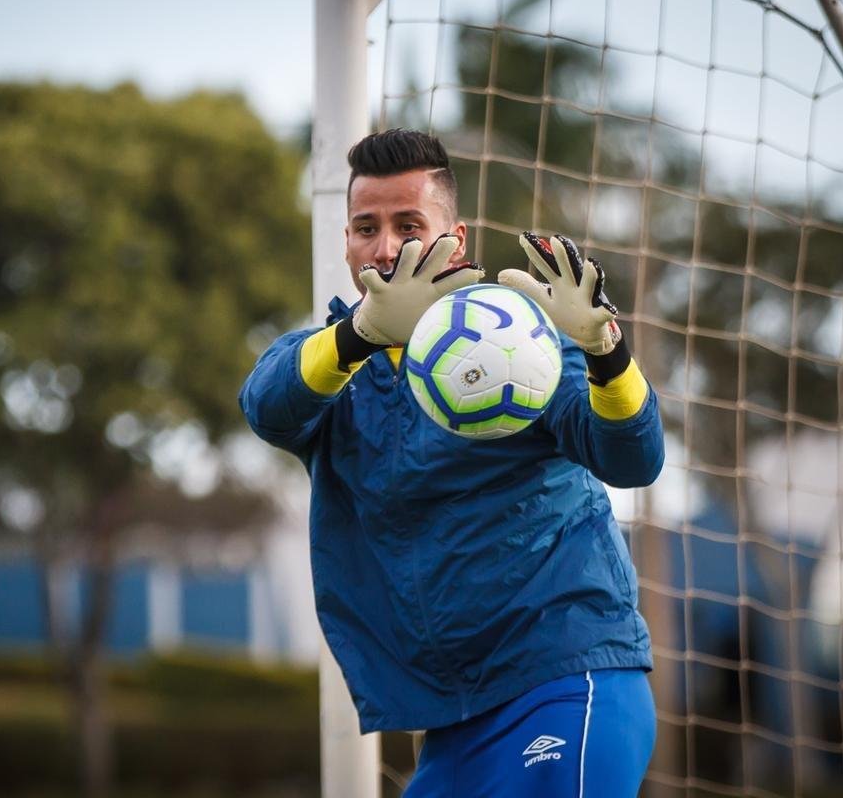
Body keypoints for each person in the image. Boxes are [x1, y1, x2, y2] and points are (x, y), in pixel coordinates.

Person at [239, 129, 664, 796]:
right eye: (365, 227)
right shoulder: (327, 363)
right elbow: (267, 406)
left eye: (408, 225)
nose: (383, 247)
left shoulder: (516, 344)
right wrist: (362, 334)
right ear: (345, 241)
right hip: (451, 726)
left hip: (563, 681)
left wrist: (606, 354)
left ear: (454, 241)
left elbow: (632, 458)